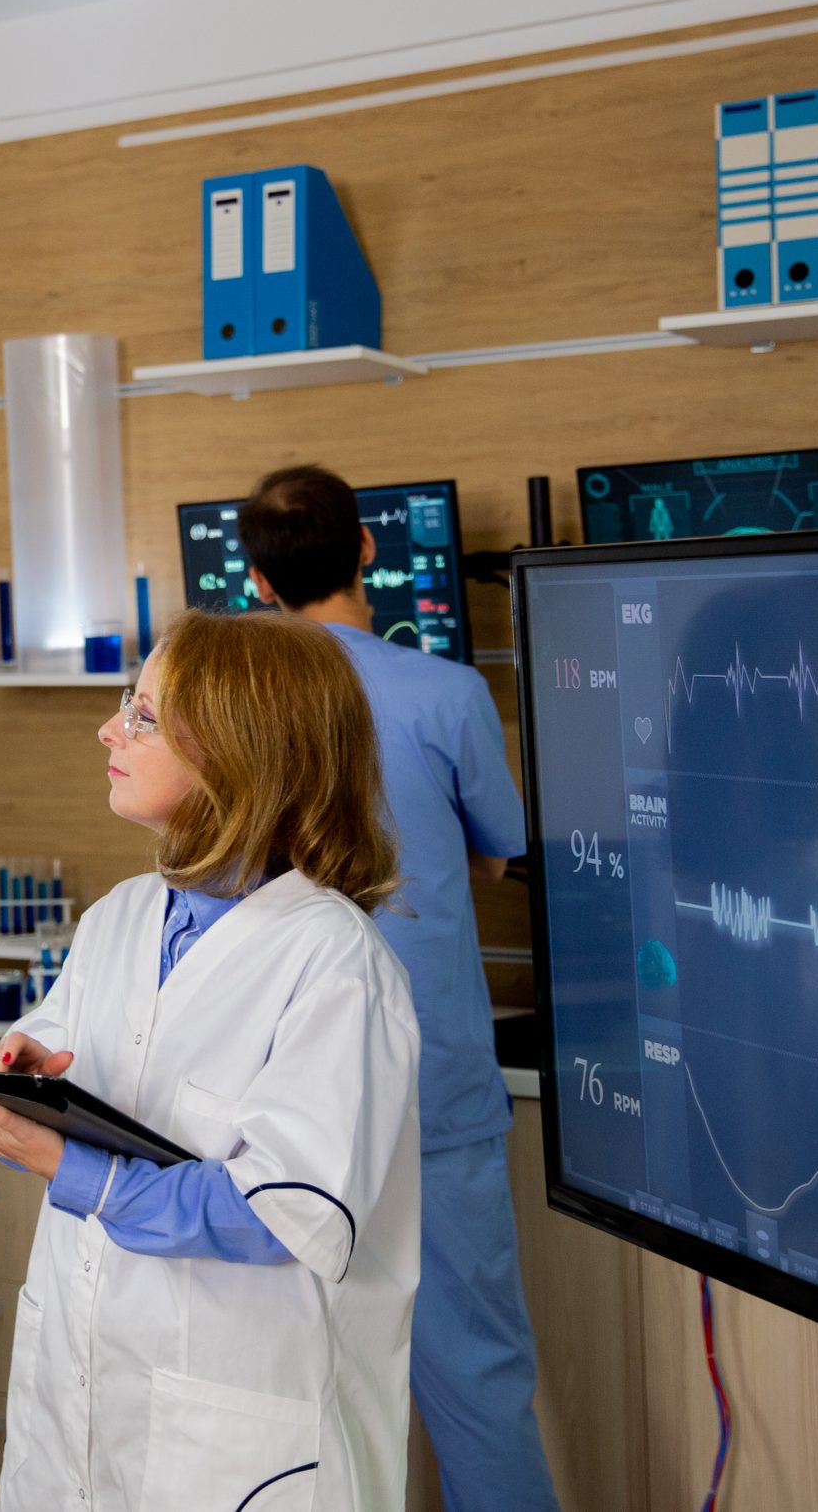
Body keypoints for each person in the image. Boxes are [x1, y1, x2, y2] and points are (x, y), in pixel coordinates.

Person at [0, 611, 421, 1512]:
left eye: (143, 716)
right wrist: (16, 1077)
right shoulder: (122, 916)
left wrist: (74, 1171)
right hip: (83, 1394)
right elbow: (68, 1046)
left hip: (238, 1437)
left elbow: (288, 1212)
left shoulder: (335, 965)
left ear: (241, 749)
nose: (109, 730)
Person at [239, 463, 560, 1512]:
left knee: (298, 1384)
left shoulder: (233, 705)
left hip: (277, 1084)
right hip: (429, 1081)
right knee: (473, 1375)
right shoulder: (446, 693)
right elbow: (500, 851)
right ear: (368, 549)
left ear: (254, 579)